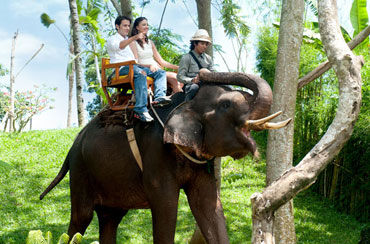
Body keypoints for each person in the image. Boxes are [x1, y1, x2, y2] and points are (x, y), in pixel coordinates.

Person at [106, 16, 171, 123]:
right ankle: (140, 109)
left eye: (128, 26)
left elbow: (136, 60)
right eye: (124, 25)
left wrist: (150, 65)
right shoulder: (112, 39)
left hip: (134, 66)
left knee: (160, 72)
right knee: (141, 73)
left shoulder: (129, 41)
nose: (127, 28)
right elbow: (120, 46)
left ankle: (159, 98)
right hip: (121, 69)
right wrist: (134, 38)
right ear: (117, 26)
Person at [129, 17, 183, 94]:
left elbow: (161, 61)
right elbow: (136, 63)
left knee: (180, 77)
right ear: (137, 27)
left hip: (157, 70)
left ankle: (176, 99)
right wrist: (150, 65)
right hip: (145, 70)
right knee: (175, 78)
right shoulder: (133, 42)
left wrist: (177, 67)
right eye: (144, 25)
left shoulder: (150, 42)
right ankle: (169, 99)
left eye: (147, 25)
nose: (147, 27)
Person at [177, 29, 214, 101]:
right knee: (194, 88)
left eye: (206, 44)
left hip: (206, 84)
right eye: (202, 43)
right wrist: (192, 80)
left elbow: (212, 73)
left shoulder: (209, 58)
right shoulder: (186, 57)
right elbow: (180, 76)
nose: (205, 46)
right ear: (195, 43)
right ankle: (186, 107)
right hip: (191, 85)